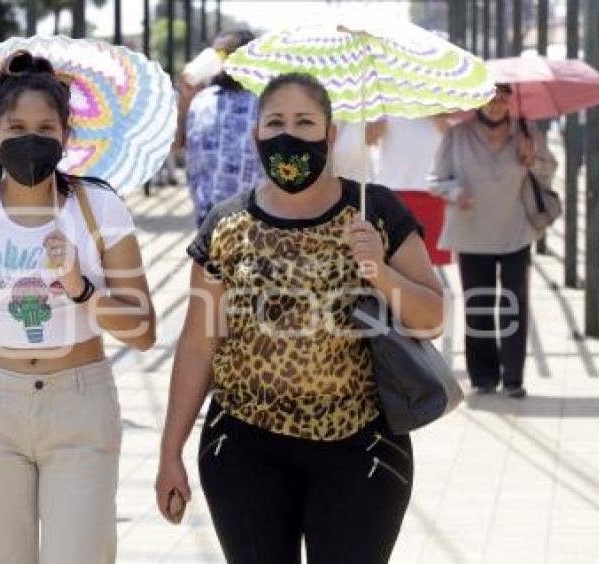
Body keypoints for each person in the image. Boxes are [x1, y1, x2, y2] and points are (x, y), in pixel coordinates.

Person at [156, 73, 444, 564]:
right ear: (257, 136)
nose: (289, 135)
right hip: (244, 445)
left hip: (361, 448)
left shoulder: (375, 212)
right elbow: (198, 345)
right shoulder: (226, 224)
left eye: (305, 121)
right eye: (276, 122)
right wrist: (169, 454)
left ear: (330, 136)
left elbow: (432, 318)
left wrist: (379, 272)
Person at [0, 50, 156, 564]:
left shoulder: (99, 207)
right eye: (16, 125)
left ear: (67, 136)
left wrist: (81, 287)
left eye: (46, 126)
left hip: (81, 404)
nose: (31, 138)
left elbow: (143, 331)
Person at [430, 83, 557, 398]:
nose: (497, 104)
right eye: (490, 97)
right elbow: (435, 180)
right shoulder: (457, 135)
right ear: (478, 101)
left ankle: (514, 377)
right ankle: (483, 377)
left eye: (503, 97)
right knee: (479, 304)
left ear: (510, 100)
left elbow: (548, 172)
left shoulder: (526, 132)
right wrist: (455, 192)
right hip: (471, 231)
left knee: (515, 302)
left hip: (515, 229)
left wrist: (533, 160)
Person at [184, 29, 261, 226]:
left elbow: (192, 165)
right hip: (229, 219)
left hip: (230, 218)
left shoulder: (265, 103)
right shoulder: (202, 100)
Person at [372, 115, 452, 265]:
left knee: (430, 264)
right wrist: (381, 114)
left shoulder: (439, 101)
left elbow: (455, 139)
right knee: (393, 260)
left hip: (430, 192)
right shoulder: (387, 101)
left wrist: (437, 114)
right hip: (393, 192)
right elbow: (368, 139)